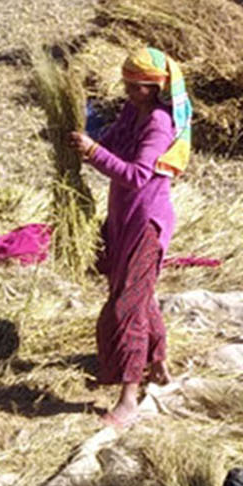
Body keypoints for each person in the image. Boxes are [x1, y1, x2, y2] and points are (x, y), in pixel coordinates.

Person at [69, 48, 190, 429]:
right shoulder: (131, 112)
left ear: (154, 88)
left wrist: (94, 153)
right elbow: (114, 144)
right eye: (126, 85)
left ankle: (128, 398)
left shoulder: (158, 123)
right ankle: (160, 366)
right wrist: (87, 143)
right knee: (138, 293)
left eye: (134, 87)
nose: (128, 92)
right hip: (123, 217)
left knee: (127, 306)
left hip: (147, 224)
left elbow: (138, 175)